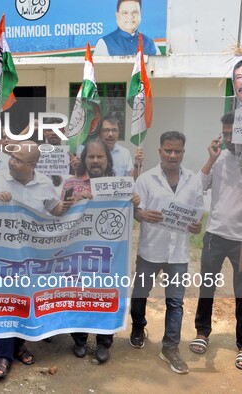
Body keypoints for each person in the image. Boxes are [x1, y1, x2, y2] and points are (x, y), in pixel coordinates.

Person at [0, 140, 72, 379]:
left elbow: (55, 210)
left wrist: (74, 205)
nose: (12, 162)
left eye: (18, 160)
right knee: (5, 303)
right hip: (3, 256)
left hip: (32, 256)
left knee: (23, 302)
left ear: (33, 165)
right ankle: (3, 356)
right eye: (12, 157)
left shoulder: (45, 183)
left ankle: (17, 346)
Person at [129, 131, 203, 375]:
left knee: (175, 301)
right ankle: (138, 327)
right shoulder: (147, 179)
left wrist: (196, 225)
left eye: (177, 151)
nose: (173, 155)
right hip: (151, 249)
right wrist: (142, 215)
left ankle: (170, 348)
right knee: (140, 294)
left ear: (183, 152)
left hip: (178, 253)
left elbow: (198, 213)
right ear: (160, 150)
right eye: (168, 150)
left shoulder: (193, 179)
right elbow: (137, 211)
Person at [61, 139, 140, 363]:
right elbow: (59, 216)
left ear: (108, 160)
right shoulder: (71, 184)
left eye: (100, 156)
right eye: (91, 156)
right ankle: (79, 339)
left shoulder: (119, 185)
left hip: (109, 255)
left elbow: (130, 214)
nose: (95, 161)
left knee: (106, 294)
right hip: (78, 254)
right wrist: (75, 201)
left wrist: (133, 200)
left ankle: (104, 341)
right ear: (84, 159)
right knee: (79, 294)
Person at [189, 112, 242, 370]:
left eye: (234, 132)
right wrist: (211, 158)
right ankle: (202, 332)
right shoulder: (218, 158)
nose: (229, 138)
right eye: (226, 133)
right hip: (214, 235)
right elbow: (198, 186)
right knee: (207, 286)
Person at [94, 0, 160, 56]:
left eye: (135, 12)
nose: (130, 16)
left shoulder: (151, 44)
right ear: (117, 15)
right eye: (125, 13)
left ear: (140, 14)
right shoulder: (104, 43)